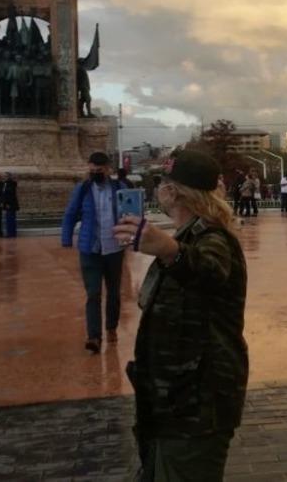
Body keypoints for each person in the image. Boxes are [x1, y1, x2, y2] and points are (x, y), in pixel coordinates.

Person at [111, 149, 248, 481]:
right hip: (173, 404)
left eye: (162, 182)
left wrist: (168, 250)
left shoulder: (213, 238)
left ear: (173, 192)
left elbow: (210, 271)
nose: (158, 189)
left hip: (197, 407)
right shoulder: (189, 236)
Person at [61, 152, 126, 354]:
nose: (96, 173)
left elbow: (131, 212)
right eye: (93, 170)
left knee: (113, 292)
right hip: (90, 248)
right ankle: (94, 337)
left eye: (100, 170)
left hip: (114, 248)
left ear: (108, 169)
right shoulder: (83, 189)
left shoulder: (119, 188)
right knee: (93, 294)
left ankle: (111, 328)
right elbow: (70, 213)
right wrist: (66, 238)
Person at [2, 172, 20, 238]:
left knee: (11, 219)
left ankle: (12, 234)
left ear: (9, 177)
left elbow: (10, 195)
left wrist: (8, 203)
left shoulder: (11, 183)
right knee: (9, 219)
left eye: (5, 176)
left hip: (10, 204)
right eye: (4, 176)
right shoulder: (5, 183)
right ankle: (10, 233)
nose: (4, 177)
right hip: (8, 204)